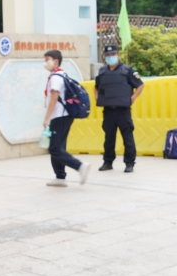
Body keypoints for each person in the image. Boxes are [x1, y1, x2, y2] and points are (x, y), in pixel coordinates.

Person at [43, 50, 90, 187]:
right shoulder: (61, 74)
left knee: (54, 148)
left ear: (56, 61)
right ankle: (60, 177)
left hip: (59, 116)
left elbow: (54, 98)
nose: (45, 63)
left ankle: (80, 166)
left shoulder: (55, 78)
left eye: (47, 60)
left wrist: (46, 118)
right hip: (63, 116)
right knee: (58, 147)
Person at [95, 44, 144, 173]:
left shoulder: (127, 70)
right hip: (108, 110)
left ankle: (129, 163)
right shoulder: (102, 71)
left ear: (118, 55)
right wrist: (97, 97)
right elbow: (97, 86)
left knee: (127, 138)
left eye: (113, 54)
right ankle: (108, 162)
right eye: (108, 55)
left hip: (122, 110)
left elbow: (140, 85)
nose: (110, 57)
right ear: (104, 56)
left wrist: (133, 98)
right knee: (109, 138)